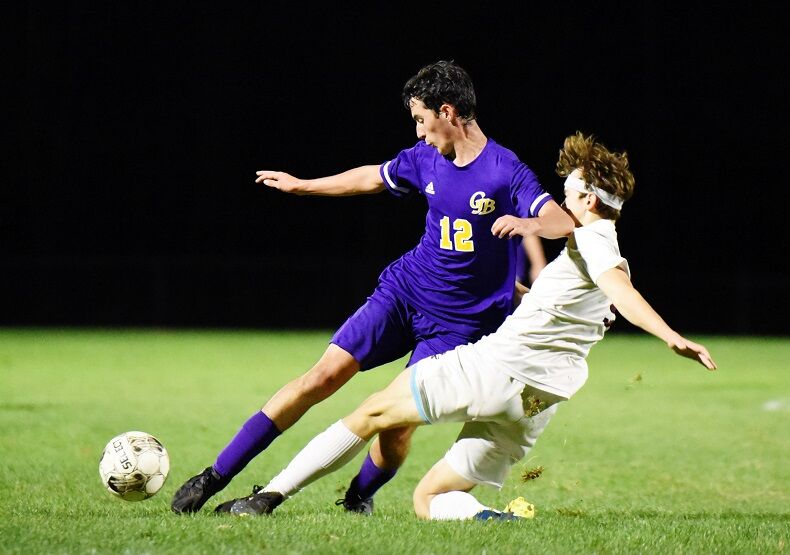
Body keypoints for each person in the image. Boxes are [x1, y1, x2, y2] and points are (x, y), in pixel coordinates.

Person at [211, 131, 717, 520]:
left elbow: (621, 292)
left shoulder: (593, 241)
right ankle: (495, 525)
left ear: (588, 201)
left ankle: (267, 497)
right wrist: (514, 288)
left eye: (568, 193)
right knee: (430, 499)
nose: (562, 201)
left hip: (498, 370)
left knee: (370, 413)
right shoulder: (589, 255)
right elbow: (566, 299)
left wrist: (671, 336)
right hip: (537, 405)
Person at [170, 61, 574, 514]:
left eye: (421, 119)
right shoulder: (425, 159)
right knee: (320, 377)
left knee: (395, 424)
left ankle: (358, 497)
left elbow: (561, 221)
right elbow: (370, 177)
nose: (419, 133)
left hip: (459, 327)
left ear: (447, 111)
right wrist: (304, 186)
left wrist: (526, 222)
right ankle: (214, 476)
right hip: (405, 294)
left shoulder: (504, 168)